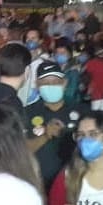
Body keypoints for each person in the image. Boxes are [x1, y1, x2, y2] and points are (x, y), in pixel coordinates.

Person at [26, 61, 84, 192]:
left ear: (64, 83)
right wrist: (46, 135)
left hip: (73, 183)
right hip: (38, 183)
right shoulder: (27, 112)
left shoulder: (81, 111)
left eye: (56, 82)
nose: (51, 86)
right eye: (45, 83)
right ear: (37, 85)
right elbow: (22, 150)